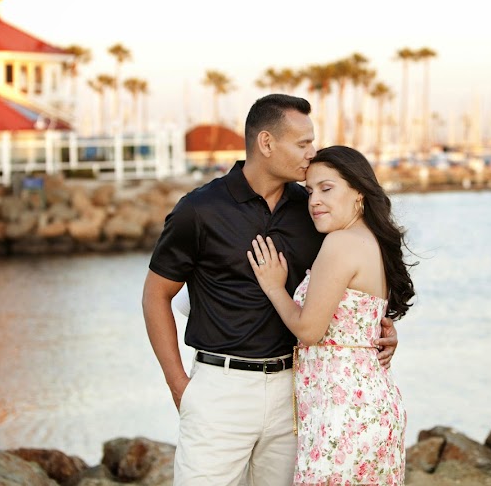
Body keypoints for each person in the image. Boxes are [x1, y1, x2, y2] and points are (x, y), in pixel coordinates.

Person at [142, 94, 398, 486]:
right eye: (302, 144)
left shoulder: (313, 209)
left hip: (297, 393)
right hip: (221, 389)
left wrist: (377, 330)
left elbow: (346, 285)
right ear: (266, 143)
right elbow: (155, 295)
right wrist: (178, 385)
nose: (311, 154)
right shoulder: (200, 210)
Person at [249, 145, 415, 485]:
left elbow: (309, 331)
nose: (313, 201)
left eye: (327, 188)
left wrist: (274, 286)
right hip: (371, 404)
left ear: (359, 192)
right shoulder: (371, 241)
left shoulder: (340, 243)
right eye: (309, 191)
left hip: (342, 414)